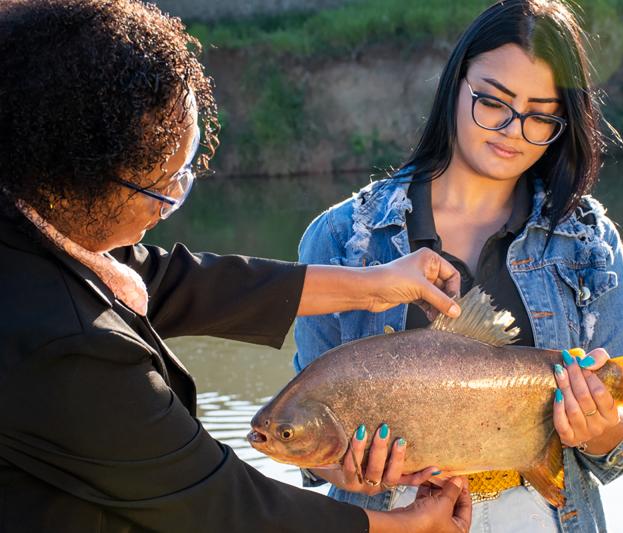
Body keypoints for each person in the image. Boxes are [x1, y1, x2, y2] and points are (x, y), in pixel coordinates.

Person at [0, 1, 473, 532]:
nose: (169, 205)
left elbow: (171, 281)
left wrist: (372, 286)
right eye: (161, 186)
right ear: (73, 178)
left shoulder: (30, 224)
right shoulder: (60, 341)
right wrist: (405, 527)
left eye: (185, 171)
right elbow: (218, 503)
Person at [294, 0, 623, 531]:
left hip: (547, 515)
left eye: (540, 115)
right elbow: (309, 427)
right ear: (455, 83)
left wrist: (600, 428)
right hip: (393, 518)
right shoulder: (341, 237)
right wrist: (345, 469)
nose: (513, 130)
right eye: (493, 102)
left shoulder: (587, 241)